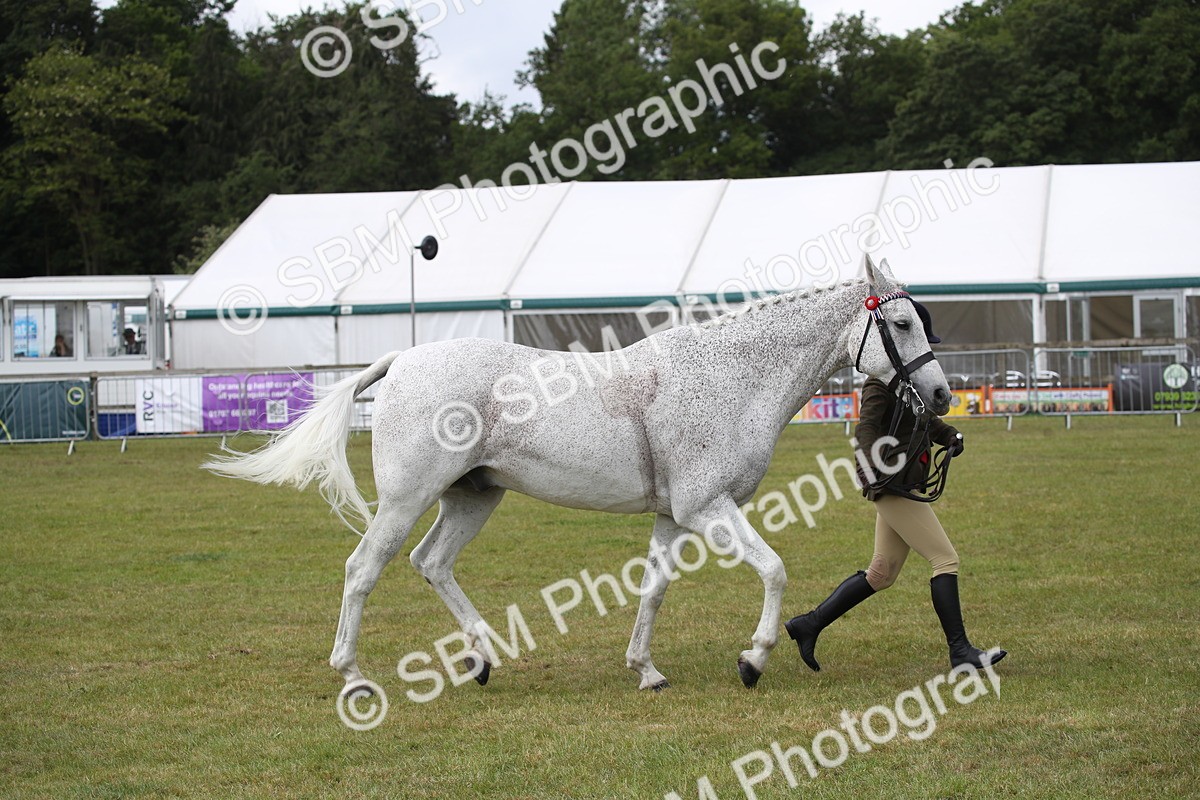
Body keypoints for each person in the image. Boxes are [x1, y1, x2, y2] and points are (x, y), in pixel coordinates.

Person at [784, 300, 1006, 672]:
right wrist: (871, 465)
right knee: (945, 559)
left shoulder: (910, 383)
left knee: (881, 573)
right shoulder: (878, 384)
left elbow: (924, 421)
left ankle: (808, 625)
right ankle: (960, 651)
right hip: (890, 483)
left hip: (903, 482)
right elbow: (866, 428)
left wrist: (948, 434)